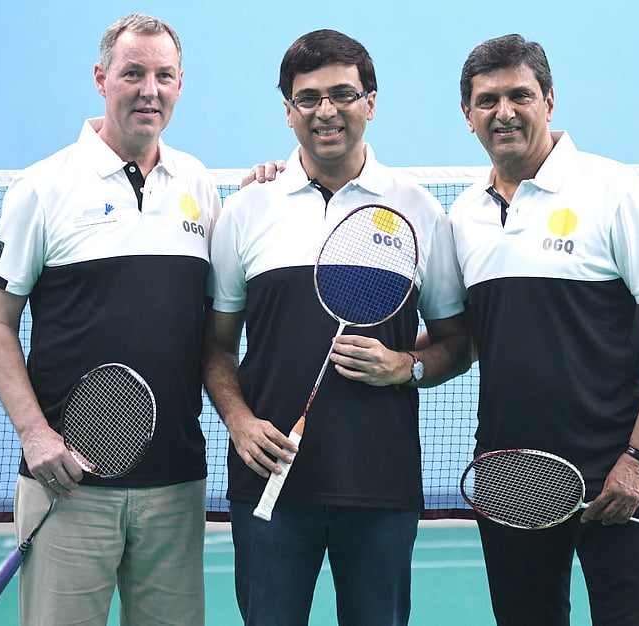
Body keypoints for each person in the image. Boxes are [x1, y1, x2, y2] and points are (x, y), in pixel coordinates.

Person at [202, 29, 471, 626]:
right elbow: (217, 346)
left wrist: (407, 366)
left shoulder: (420, 211)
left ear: (370, 102)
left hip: (380, 485)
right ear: (288, 111)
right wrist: (239, 422)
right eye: (308, 97)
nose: (326, 110)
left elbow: (459, 341)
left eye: (343, 94)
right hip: (268, 485)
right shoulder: (246, 209)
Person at [0, 14, 219, 625]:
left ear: (181, 84)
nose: (149, 90)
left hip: (175, 482)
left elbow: (219, 322)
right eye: (133, 73)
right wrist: (34, 435)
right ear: (100, 77)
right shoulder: (43, 187)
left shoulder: (200, 185)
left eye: (164, 76)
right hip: (69, 486)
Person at [449, 34, 639, 625]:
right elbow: (464, 340)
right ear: (468, 115)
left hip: (613, 475)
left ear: (550, 101)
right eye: (487, 101)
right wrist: (399, 362)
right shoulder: (462, 216)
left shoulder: (612, 190)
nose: (504, 112)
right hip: (510, 476)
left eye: (520, 96)